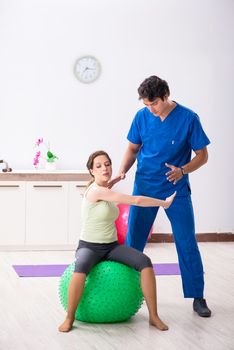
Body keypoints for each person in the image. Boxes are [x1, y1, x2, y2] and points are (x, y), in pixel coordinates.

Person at [109, 75, 211, 318]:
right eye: (146, 104)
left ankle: (198, 296)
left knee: (186, 242)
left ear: (166, 96)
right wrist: (123, 170)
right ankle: (126, 290)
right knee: (134, 241)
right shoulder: (141, 117)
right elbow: (133, 149)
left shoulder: (188, 118)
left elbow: (202, 155)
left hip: (176, 190)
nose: (150, 109)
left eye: (154, 103)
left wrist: (183, 169)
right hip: (144, 186)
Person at [59, 150, 176, 332]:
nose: (104, 168)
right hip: (89, 246)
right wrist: (163, 203)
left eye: (107, 164)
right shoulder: (96, 191)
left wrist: (116, 179)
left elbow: (107, 188)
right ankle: (69, 318)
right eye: (98, 166)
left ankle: (154, 316)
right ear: (91, 171)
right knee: (81, 266)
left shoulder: (104, 188)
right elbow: (135, 199)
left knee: (145, 262)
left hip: (111, 246)